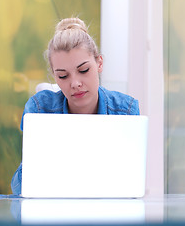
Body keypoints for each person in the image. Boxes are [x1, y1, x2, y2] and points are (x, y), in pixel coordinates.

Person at [10, 17, 140, 195]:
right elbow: (20, 188)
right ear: (55, 77)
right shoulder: (40, 109)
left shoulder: (125, 110)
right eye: (63, 76)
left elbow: (131, 184)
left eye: (83, 70)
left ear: (99, 63)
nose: (75, 83)